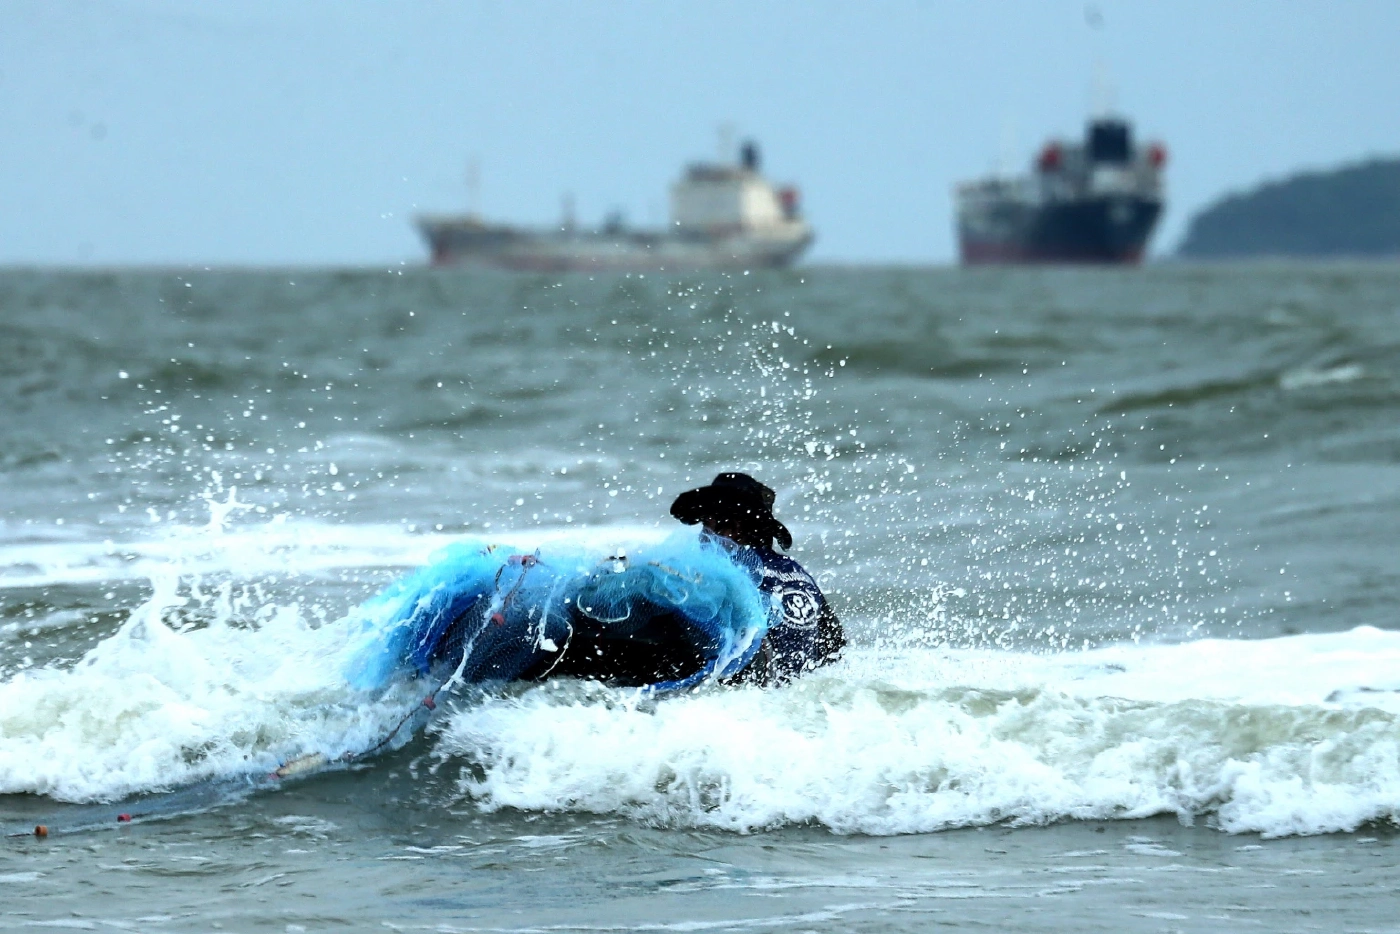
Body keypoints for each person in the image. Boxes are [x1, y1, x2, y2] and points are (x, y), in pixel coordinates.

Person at [670, 472, 845, 684]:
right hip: (796, 698)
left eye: (707, 525)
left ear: (734, 529)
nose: (702, 538)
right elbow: (835, 644)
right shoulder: (799, 573)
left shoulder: (730, 569)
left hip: (750, 698)